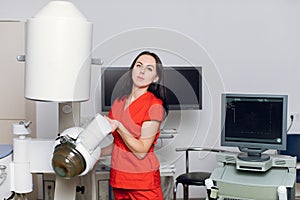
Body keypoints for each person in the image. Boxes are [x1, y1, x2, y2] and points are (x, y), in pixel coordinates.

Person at [100, 51, 169, 200]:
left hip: (142, 182)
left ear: (155, 78)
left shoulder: (154, 106)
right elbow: (118, 144)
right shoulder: (118, 102)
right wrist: (95, 152)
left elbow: (141, 151)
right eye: (139, 65)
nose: (142, 71)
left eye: (149, 69)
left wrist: (119, 126)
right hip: (119, 180)